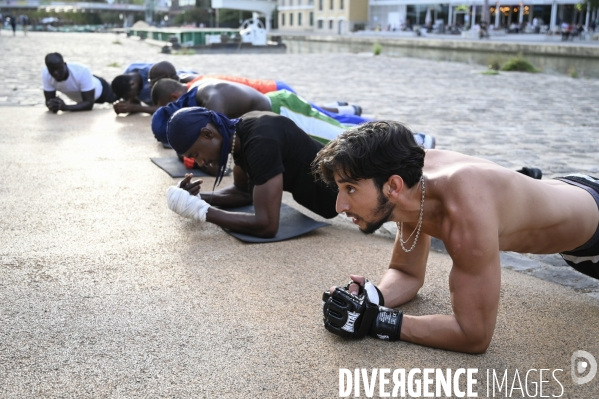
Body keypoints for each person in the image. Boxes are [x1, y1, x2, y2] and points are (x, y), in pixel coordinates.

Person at [315, 121, 594, 353]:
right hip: (572, 196)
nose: (340, 205)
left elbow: (474, 336)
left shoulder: (465, 209)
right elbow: (407, 273)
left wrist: (378, 321)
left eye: (350, 189)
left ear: (393, 186)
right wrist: (371, 298)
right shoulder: (411, 189)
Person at [164, 108, 339, 238]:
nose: (201, 162)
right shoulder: (240, 132)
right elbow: (243, 192)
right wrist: (197, 198)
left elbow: (267, 226)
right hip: (330, 198)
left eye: (196, 154)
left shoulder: (261, 142)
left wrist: (200, 210)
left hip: (342, 195)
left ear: (207, 133)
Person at [151, 79, 436, 150]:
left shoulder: (211, 99)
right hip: (277, 113)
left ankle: (416, 140)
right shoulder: (197, 99)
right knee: (340, 132)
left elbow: (220, 135)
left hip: (284, 109)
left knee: (344, 137)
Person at [43, 53, 117, 113]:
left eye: (58, 68)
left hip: (103, 91)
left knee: (119, 100)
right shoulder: (46, 74)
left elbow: (89, 104)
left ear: (65, 64)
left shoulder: (81, 71)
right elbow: (48, 101)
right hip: (83, 97)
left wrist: (65, 107)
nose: (55, 73)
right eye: (52, 70)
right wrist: (54, 104)